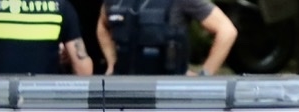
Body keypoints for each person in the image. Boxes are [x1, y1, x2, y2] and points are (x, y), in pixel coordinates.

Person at [97, 0, 238, 76]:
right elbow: (102, 27)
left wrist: (204, 75)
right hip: (122, 87)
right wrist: (112, 63)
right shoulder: (115, 2)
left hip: (168, 90)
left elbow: (227, 31)